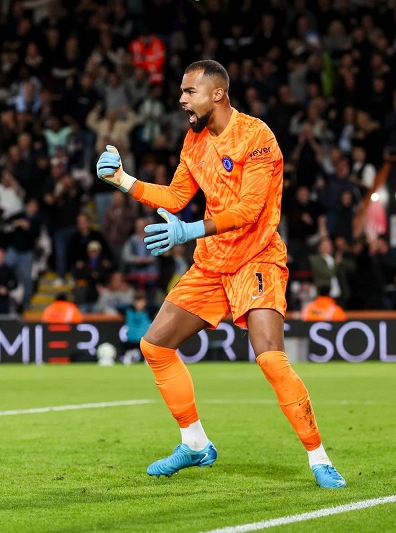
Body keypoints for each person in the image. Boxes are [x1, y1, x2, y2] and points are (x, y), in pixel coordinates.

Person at [95, 60, 345, 488]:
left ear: (217, 94)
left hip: (256, 258)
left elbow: (249, 210)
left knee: (270, 358)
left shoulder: (256, 136)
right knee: (155, 346)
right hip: (212, 263)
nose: (181, 99)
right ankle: (195, 443)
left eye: (189, 91)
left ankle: (319, 458)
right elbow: (176, 196)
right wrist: (122, 179)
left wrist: (189, 230)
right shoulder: (193, 141)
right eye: (181, 91)